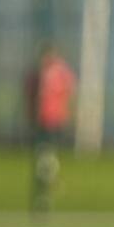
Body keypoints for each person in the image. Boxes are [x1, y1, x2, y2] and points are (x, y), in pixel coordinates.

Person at [26, 44, 76, 214]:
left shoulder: (58, 72)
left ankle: (47, 185)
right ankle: (45, 189)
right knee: (44, 156)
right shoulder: (41, 73)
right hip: (44, 121)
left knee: (46, 155)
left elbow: (68, 94)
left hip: (53, 121)